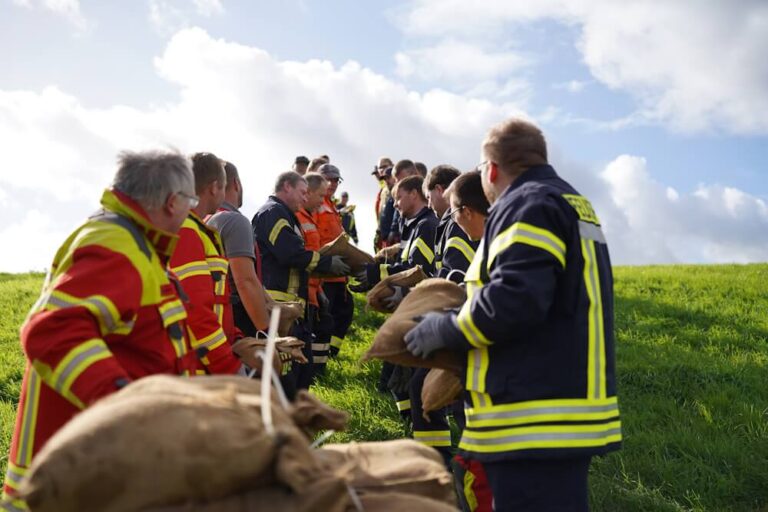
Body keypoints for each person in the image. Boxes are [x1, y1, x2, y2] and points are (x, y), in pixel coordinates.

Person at [404, 118, 621, 511]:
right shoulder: (573, 203)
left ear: (490, 170)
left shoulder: (525, 203)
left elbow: (516, 300)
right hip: (565, 407)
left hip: (530, 416)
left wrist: (446, 329)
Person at [2, 150, 198, 505]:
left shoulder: (137, 246)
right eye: (191, 201)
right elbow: (52, 331)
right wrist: (126, 406)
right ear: (173, 202)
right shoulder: (116, 245)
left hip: (102, 471)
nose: (190, 212)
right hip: (75, 484)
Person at [251, 171, 350, 391]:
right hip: (278, 312)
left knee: (301, 377)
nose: (305, 198)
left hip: (291, 312)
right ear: (287, 187)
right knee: (286, 381)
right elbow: (290, 254)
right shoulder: (273, 213)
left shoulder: (283, 214)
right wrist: (326, 264)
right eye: (302, 192)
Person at [169, 152, 245, 375]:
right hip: (198, 370)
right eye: (222, 187)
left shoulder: (199, 231)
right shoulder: (186, 231)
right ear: (213, 188)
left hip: (207, 362)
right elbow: (195, 308)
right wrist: (227, 365)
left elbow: (217, 302)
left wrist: (237, 339)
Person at [206, 161, 270, 337]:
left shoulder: (201, 219)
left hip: (210, 316)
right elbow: (245, 281)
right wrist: (267, 333)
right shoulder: (234, 221)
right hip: (237, 317)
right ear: (236, 184)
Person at [294, 173, 334, 372]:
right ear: (307, 193)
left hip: (313, 290)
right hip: (302, 294)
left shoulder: (308, 216)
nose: (322, 201)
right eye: (320, 196)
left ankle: (317, 374)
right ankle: (314, 375)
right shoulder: (298, 218)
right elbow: (303, 257)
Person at [317, 164, 355, 358]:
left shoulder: (331, 205)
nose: (332, 183)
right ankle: (322, 359)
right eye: (328, 179)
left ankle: (331, 353)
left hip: (338, 274)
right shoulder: (314, 204)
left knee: (344, 311)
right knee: (327, 318)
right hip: (325, 274)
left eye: (336, 180)